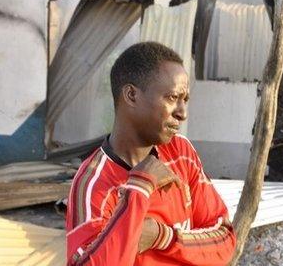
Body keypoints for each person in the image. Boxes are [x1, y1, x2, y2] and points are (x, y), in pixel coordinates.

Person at [66, 42, 236, 265]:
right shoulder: (93, 183)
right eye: (172, 98)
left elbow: (225, 241)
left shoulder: (180, 153)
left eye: (185, 100)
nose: (182, 113)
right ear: (131, 95)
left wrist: (162, 237)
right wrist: (139, 188)